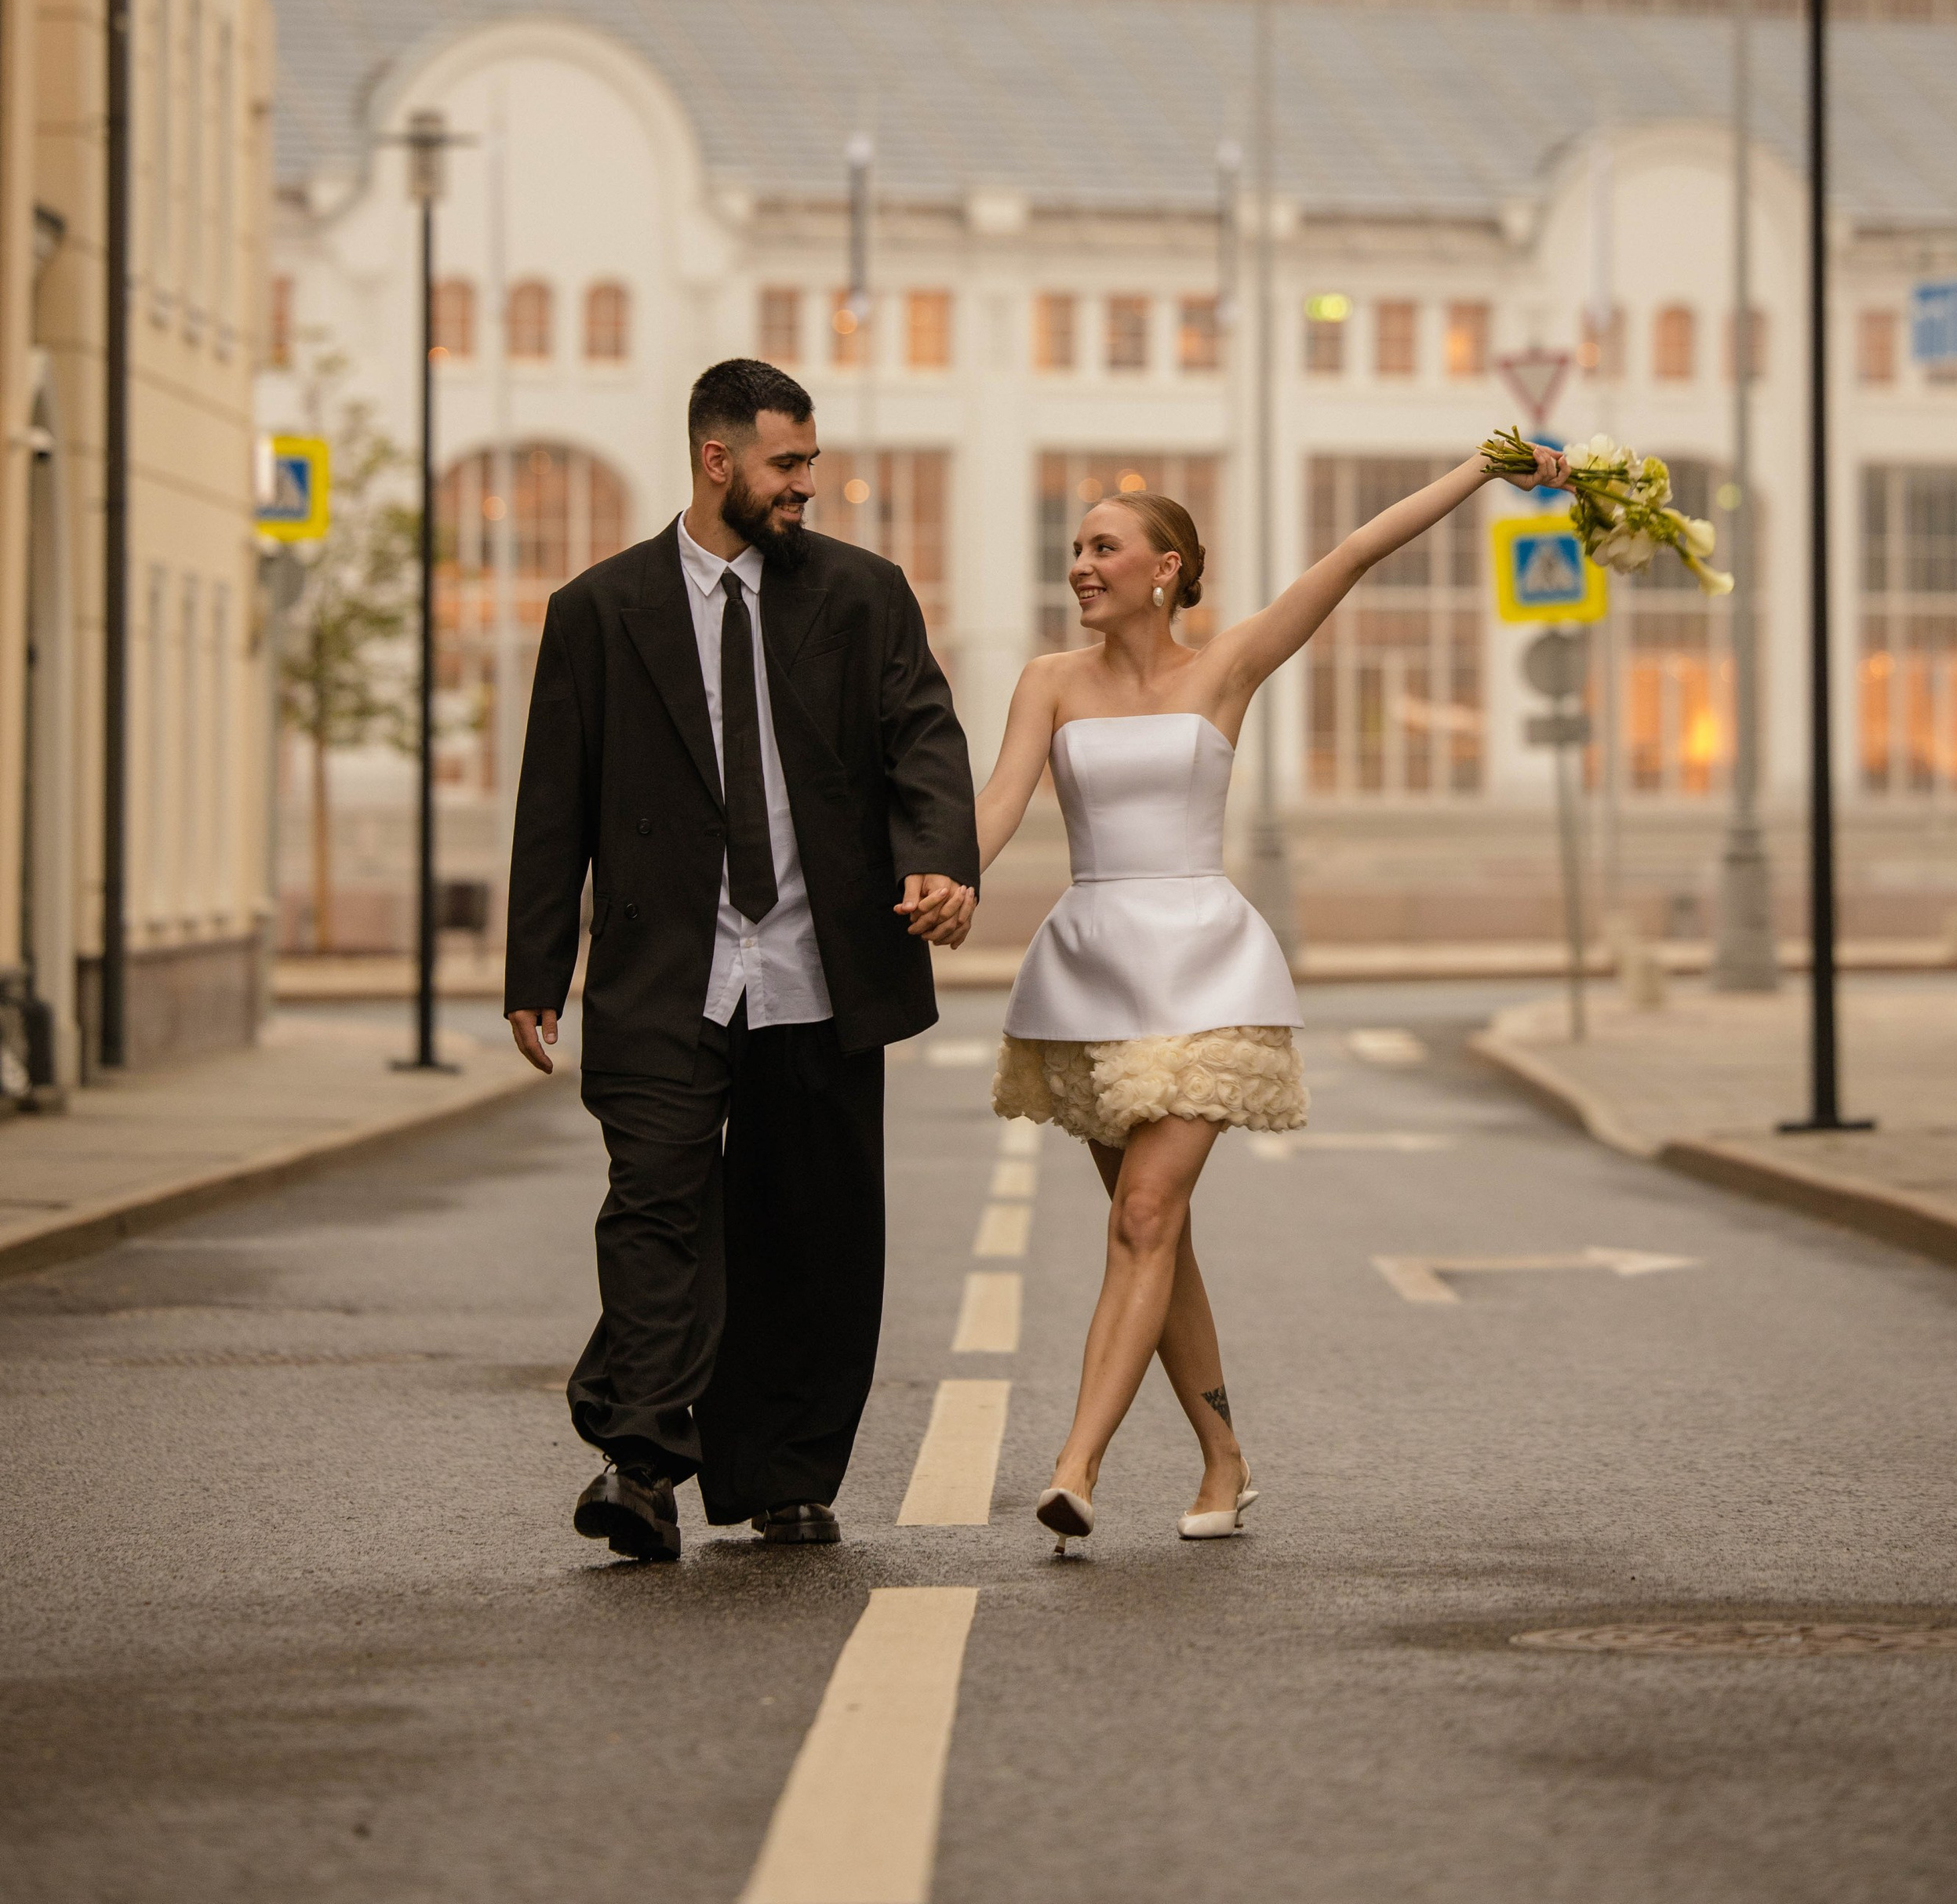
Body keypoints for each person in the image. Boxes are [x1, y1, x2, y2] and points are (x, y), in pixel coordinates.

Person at [977, 444, 1566, 1550]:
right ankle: (1225, 1459)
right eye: (1076, 549)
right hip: (1090, 975)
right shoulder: (1048, 681)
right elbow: (999, 801)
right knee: (1156, 1237)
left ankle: (1075, 1468)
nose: (1081, 566)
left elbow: (1355, 552)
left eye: (1104, 547)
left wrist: (1484, 471)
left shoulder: (1228, 667)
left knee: (1144, 1219)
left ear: (1167, 568)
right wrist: (946, 881)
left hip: (1207, 968)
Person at [504, 357, 979, 1564]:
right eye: (787, 463)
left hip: (819, 966)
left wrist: (939, 859)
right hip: (667, 965)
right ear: (717, 460)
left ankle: (787, 1475)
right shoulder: (600, 610)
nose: (805, 484)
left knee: (809, 1230)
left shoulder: (862, 595)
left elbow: (923, 735)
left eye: (810, 462)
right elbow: (556, 799)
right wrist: (535, 969)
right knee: (655, 1203)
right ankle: (642, 1463)